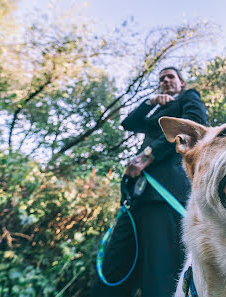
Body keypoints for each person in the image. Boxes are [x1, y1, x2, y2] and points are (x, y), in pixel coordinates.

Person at [91, 67, 208, 297]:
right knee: (115, 267)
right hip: (135, 197)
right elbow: (128, 123)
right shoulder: (157, 109)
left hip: (166, 193)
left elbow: (194, 125)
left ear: (181, 83)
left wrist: (149, 154)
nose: (165, 80)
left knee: (159, 273)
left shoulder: (188, 97)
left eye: (170, 77)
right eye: (162, 78)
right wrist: (150, 102)